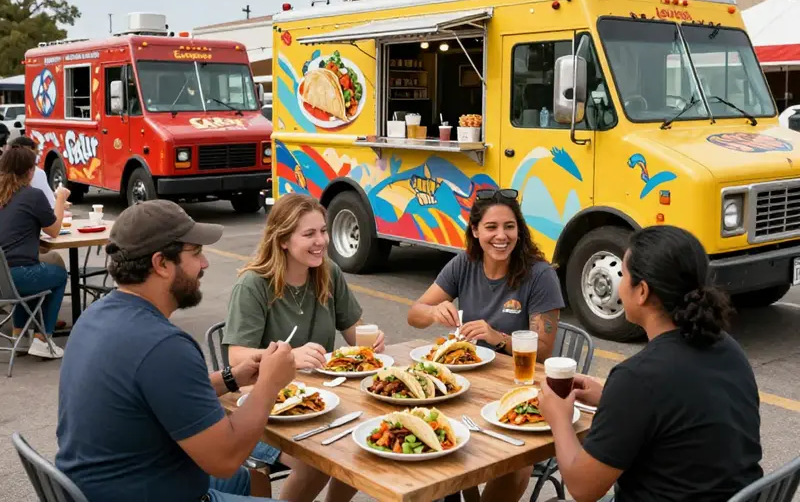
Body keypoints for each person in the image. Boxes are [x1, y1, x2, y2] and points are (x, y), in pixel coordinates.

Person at [56, 199, 308, 502]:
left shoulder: (95, 316)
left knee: (246, 480)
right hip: (150, 492)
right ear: (161, 263)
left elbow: (156, 394)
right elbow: (225, 459)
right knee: (235, 473)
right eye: (196, 252)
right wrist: (270, 383)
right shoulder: (164, 346)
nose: (205, 264)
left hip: (103, 485)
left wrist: (232, 378)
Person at [537, 225, 763, 502]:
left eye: (623, 274)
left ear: (641, 291)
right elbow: (680, 412)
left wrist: (559, 418)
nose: (620, 284)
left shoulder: (637, 378)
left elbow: (583, 489)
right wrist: (610, 398)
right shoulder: (727, 346)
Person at [223, 193, 385, 502]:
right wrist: (289, 358)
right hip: (262, 411)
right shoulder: (254, 284)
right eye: (309, 234)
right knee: (322, 460)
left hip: (320, 402)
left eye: (323, 231)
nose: (321, 241)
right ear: (283, 239)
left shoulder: (328, 272)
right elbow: (236, 357)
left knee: (362, 448)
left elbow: (353, 329)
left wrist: (370, 340)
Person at [407, 187, 565, 502]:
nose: (501, 236)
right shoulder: (464, 263)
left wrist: (496, 337)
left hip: (516, 390)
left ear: (520, 231)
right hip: (465, 386)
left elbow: (544, 351)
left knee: (516, 465)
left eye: (509, 226)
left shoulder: (540, 275)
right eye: (491, 227)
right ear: (476, 231)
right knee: (434, 434)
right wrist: (434, 311)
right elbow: (414, 314)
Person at [0, 143, 69, 358]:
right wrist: (60, 198)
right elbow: (55, 229)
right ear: (30, 171)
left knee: (32, 272)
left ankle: (20, 335)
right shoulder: (33, 195)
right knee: (57, 274)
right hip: (19, 275)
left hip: (4, 279)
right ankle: (43, 338)